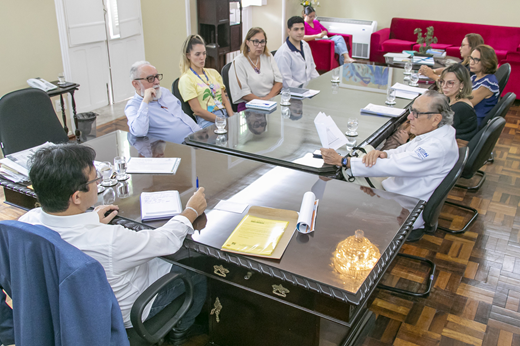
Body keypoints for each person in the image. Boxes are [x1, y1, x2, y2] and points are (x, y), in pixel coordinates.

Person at [19, 144, 208, 344]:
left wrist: (90, 220)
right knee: (196, 271)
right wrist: (191, 211)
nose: (99, 180)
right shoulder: (109, 240)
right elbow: (165, 241)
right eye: (95, 178)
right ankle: (180, 336)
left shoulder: (26, 223)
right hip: (125, 314)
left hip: (65, 311)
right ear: (76, 196)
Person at [321, 90, 458, 230]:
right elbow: (404, 151)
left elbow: (396, 165)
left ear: (436, 119)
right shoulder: (438, 132)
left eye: (416, 113)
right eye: (411, 111)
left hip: (406, 205)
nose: (410, 117)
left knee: (337, 204)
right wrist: (383, 154)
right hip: (402, 191)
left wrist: (344, 161)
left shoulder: (437, 147)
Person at [125, 61, 201, 144]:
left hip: (199, 135)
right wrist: (145, 101)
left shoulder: (164, 92)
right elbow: (139, 131)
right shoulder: (133, 106)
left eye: (157, 76)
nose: (157, 82)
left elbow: (181, 114)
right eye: (150, 79)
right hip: (184, 147)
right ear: (136, 84)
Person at [178, 35, 234, 128]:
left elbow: (225, 100)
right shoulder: (186, 79)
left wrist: (232, 119)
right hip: (207, 120)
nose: (202, 57)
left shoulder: (213, 73)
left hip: (225, 115)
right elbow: (197, 110)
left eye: (204, 53)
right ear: (188, 55)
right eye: (197, 54)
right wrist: (221, 121)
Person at [228, 27, 283, 112]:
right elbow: (244, 94)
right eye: (256, 42)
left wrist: (268, 99)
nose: (260, 46)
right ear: (247, 42)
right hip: (249, 105)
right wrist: (263, 102)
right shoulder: (238, 62)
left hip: (270, 102)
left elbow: (279, 81)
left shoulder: (267, 56)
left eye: (262, 42)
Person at [274, 16, 319, 88]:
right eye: (296, 29)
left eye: (302, 29)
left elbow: (312, 69)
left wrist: (319, 83)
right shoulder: (283, 54)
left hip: (308, 89)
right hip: (294, 93)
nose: (300, 32)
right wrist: (305, 89)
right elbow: (286, 82)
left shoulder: (305, 45)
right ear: (289, 31)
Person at [439, 63, 478, 142]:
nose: (444, 86)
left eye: (450, 83)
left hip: (455, 147)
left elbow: (439, 131)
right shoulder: (454, 100)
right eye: (442, 82)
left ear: (461, 85)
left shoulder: (460, 108)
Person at [419, 33, 484, 81]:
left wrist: (432, 75)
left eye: (463, 45)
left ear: (472, 47)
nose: (459, 48)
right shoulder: (465, 62)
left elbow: (450, 85)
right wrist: (431, 71)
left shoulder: (472, 68)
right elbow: (449, 70)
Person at [469, 44, 499, 127]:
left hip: (474, 124)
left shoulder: (487, 84)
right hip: (469, 117)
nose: (471, 62)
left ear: (487, 62)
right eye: (471, 58)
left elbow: (466, 103)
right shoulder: (475, 77)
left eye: (476, 60)